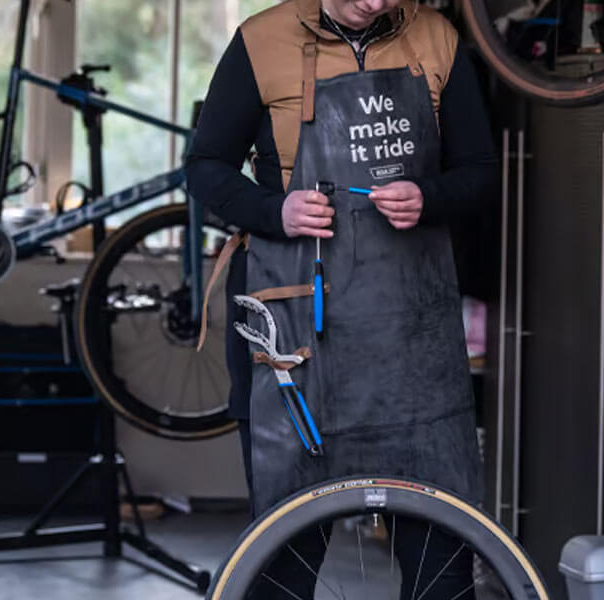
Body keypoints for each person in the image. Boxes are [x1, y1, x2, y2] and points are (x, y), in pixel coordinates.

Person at [186, 0, 497, 595]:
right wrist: (273, 210)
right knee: (285, 559)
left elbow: (481, 169)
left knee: (442, 563)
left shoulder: (439, 39)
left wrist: (429, 198)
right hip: (298, 339)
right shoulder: (260, 40)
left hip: (412, 341)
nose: (375, 3)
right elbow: (205, 167)